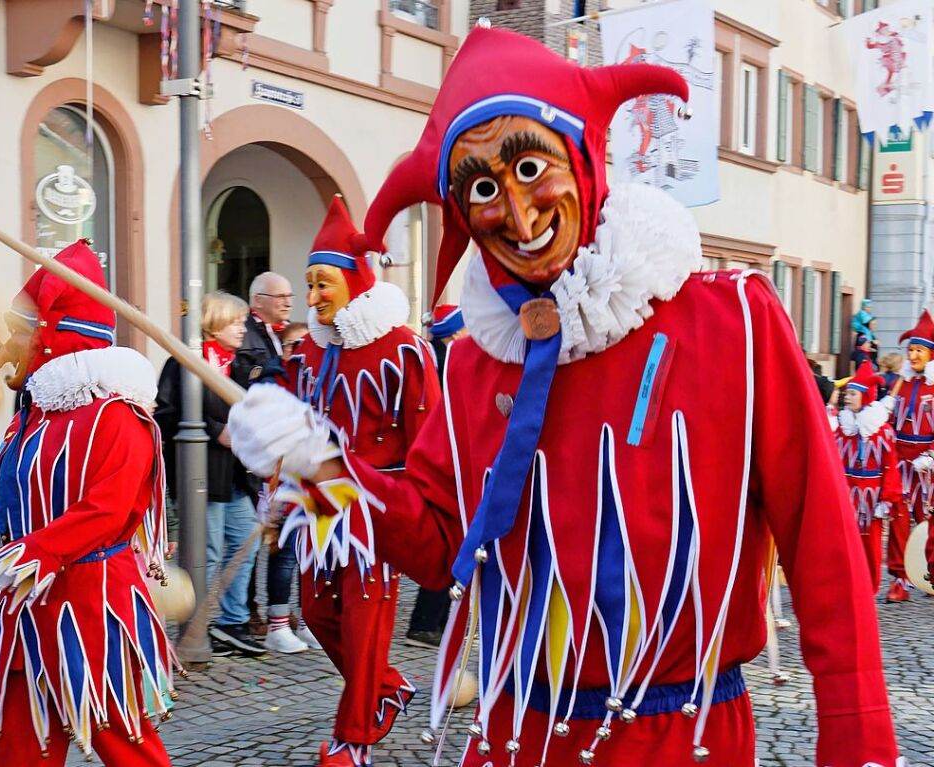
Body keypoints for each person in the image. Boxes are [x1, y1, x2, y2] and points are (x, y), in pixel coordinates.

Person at [227, 28, 899, 767]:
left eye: (529, 167)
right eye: (482, 188)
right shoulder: (476, 363)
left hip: (682, 741)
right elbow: (438, 542)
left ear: (583, 159)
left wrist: (857, 735)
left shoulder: (731, 319)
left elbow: (822, 540)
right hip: (516, 732)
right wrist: (319, 470)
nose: (518, 215)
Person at [0, 240, 176, 766]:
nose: (1, 351)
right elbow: (26, 497)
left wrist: (18, 559)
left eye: (15, 333)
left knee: (127, 750)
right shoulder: (32, 416)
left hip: (91, 616)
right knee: (19, 751)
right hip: (27, 617)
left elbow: (103, 512)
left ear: (53, 339)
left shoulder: (120, 418)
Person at [237, 196, 441, 767]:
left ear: (355, 281)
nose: (314, 297)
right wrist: (279, 489)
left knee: (365, 616)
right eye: (308, 285)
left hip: (378, 505)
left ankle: (355, 738)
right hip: (321, 505)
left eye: (324, 283)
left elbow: (431, 438)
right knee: (319, 612)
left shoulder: (404, 350)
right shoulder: (311, 359)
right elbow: (300, 433)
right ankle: (387, 688)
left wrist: (425, 509)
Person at [155, 291, 264, 656]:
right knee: (208, 551)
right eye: (234, 321)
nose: (241, 328)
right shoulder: (185, 363)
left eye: (243, 321)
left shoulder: (239, 364)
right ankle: (196, 627)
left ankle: (232, 622)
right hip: (201, 476)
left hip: (235, 475)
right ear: (214, 322)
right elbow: (167, 415)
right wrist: (215, 429)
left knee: (246, 542)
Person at [404, 304, 467, 650]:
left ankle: (432, 621)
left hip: (446, 463)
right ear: (456, 331)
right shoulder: (448, 363)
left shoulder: (444, 358)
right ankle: (426, 623)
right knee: (449, 542)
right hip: (447, 465)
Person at [234, 271, 292, 636]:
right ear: (258, 301)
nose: (288, 301)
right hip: (254, 454)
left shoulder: (274, 334)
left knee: (275, 533)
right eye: (280, 296)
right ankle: (250, 609)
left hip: (275, 450)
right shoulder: (249, 338)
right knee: (255, 532)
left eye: (289, 296)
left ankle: (272, 608)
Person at [262, 320, 321, 655]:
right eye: (292, 346)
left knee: (310, 554)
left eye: (305, 346)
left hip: (310, 477)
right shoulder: (274, 380)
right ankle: (278, 625)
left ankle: (308, 620)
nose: (298, 353)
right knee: (283, 554)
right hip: (281, 477)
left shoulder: (314, 378)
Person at [836, 361, 902, 594]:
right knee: (846, 542)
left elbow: (890, 466)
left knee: (872, 545)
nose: (847, 397)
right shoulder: (843, 430)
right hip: (848, 493)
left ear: (865, 396)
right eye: (846, 393)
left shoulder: (882, 432)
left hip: (872, 497)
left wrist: (887, 499)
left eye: (852, 393)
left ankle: (869, 588)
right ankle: (848, 585)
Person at [882, 309, 934, 603]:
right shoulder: (899, 385)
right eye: (911, 349)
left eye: (919, 350)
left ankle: (931, 576)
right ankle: (900, 579)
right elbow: (888, 422)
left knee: (929, 523)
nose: (913, 355)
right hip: (900, 462)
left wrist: (931, 456)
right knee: (899, 522)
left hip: (928, 464)